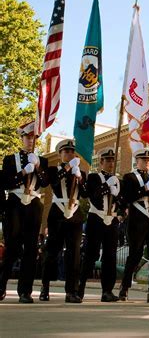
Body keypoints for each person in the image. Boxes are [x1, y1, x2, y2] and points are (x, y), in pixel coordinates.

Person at [0, 121, 49, 303]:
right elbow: (5, 183)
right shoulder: (10, 159)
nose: (31, 141)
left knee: (30, 249)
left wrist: (37, 168)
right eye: (28, 137)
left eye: (34, 138)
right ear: (22, 138)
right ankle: (1, 284)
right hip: (15, 204)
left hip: (34, 204)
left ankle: (25, 291)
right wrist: (22, 172)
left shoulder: (41, 160)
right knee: (12, 247)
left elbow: (45, 183)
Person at [41, 139, 86, 303]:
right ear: (60, 154)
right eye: (66, 151)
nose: (69, 154)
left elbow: (86, 194)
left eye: (71, 151)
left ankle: (72, 291)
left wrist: (80, 178)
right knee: (53, 251)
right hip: (58, 212)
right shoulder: (54, 169)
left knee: (74, 255)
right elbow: (50, 182)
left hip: (74, 213)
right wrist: (68, 168)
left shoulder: (79, 172)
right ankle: (45, 287)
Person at [119, 148, 149, 303]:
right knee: (135, 255)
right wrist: (145, 188)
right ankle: (124, 287)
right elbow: (127, 197)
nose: (147, 162)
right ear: (136, 161)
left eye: (148, 160)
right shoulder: (130, 177)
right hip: (137, 218)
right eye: (143, 160)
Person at [78, 147, 121, 302]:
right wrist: (106, 187)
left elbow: (121, 202)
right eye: (107, 160)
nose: (110, 163)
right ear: (101, 162)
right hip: (96, 218)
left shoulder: (117, 180)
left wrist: (117, 196)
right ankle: (80, 288)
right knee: (91, 254)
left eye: (112, 160)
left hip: (112, 220)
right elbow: (93, 196)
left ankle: (107, 291)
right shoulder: (94, 178)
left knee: (110, 256)